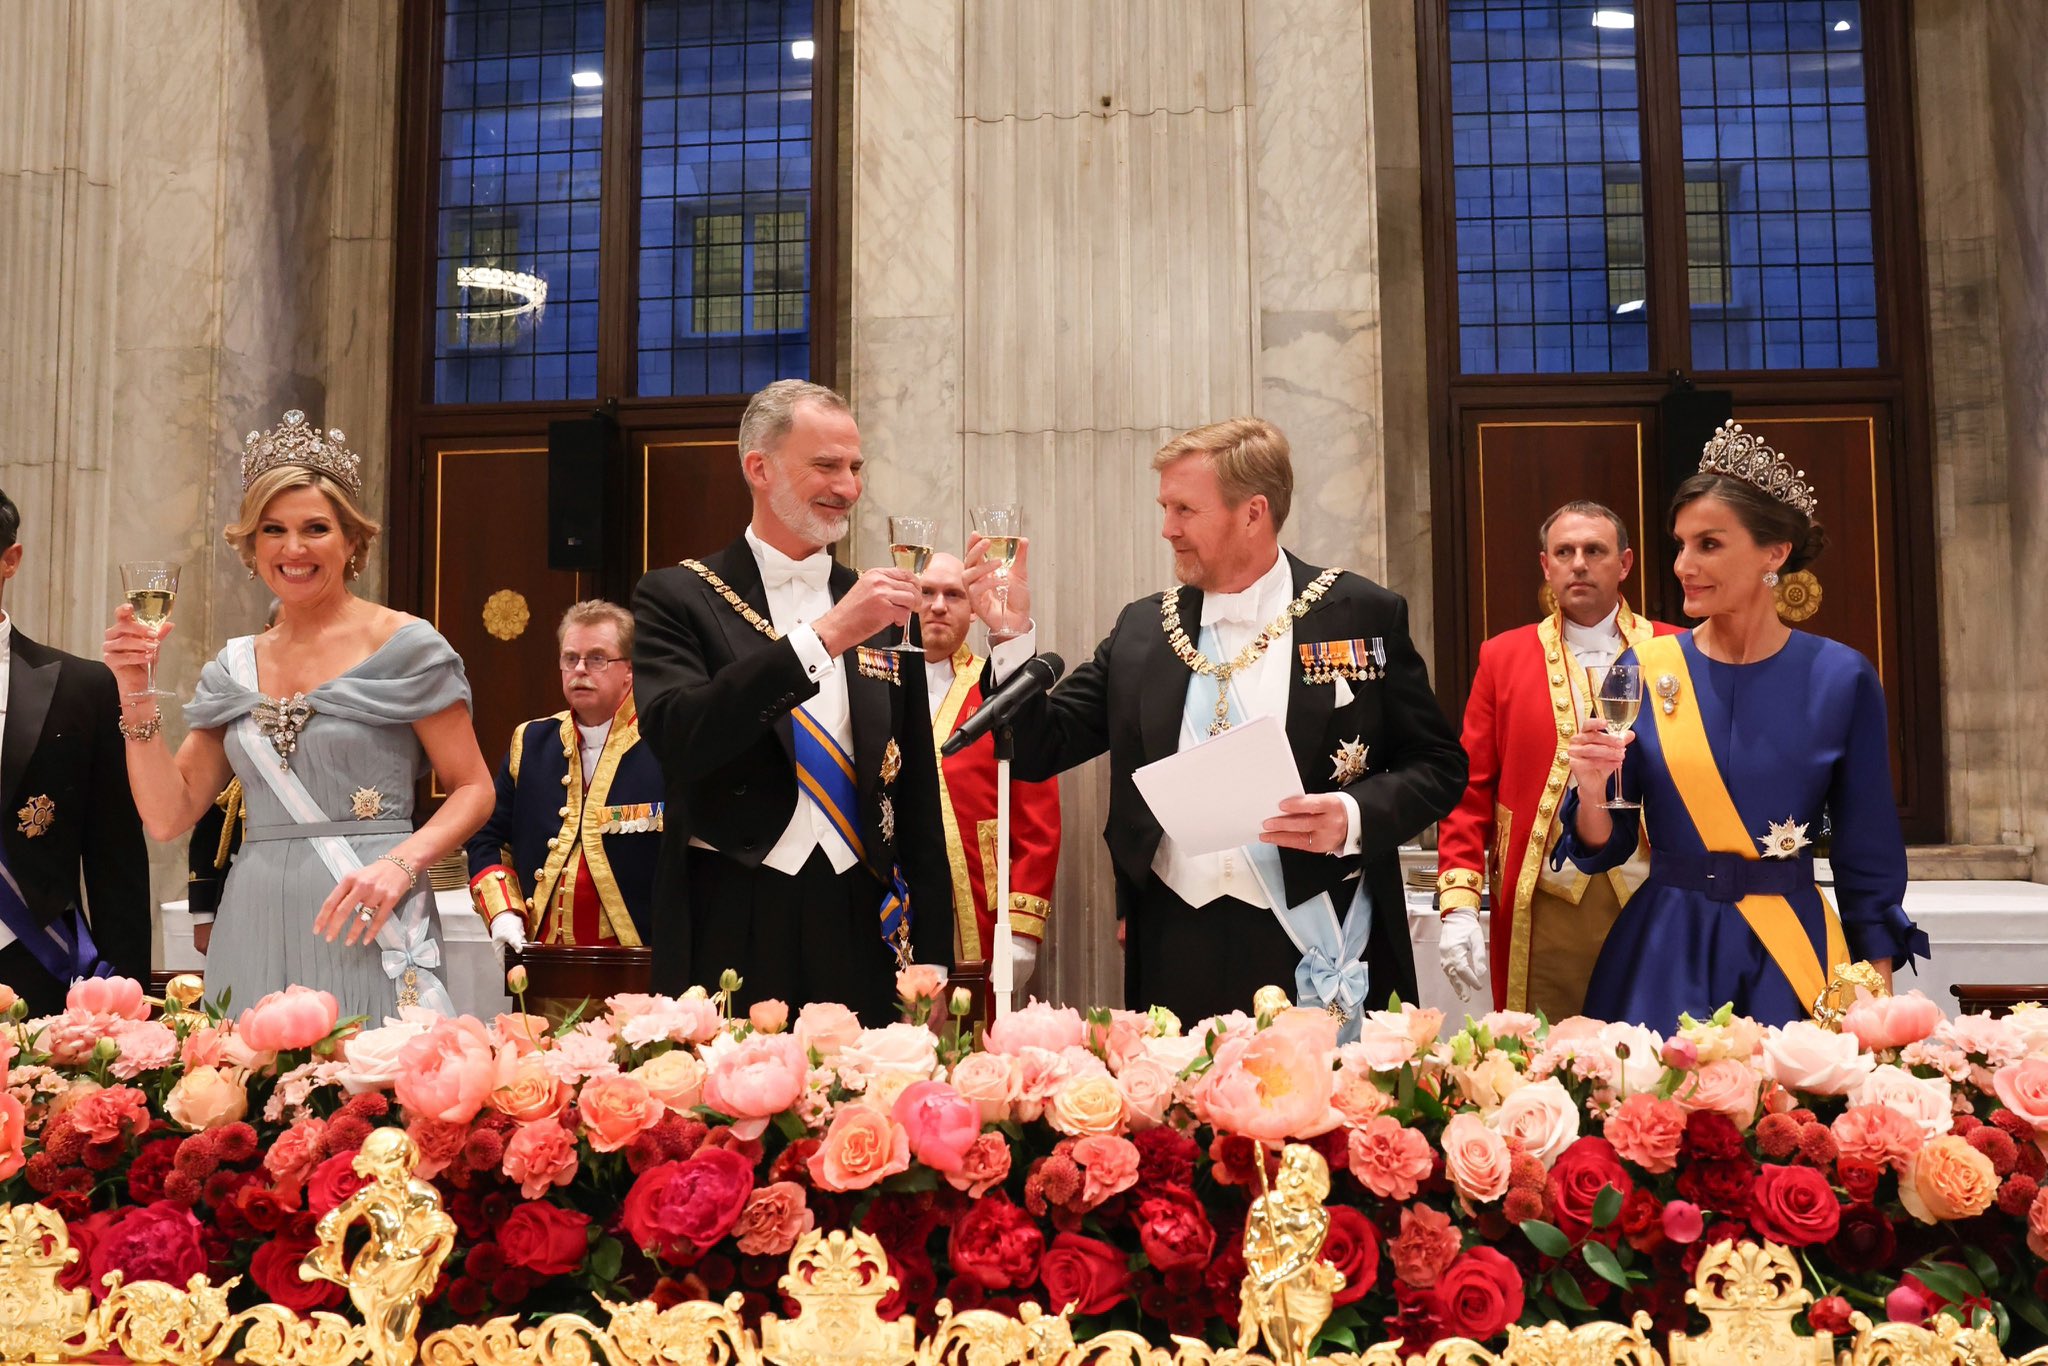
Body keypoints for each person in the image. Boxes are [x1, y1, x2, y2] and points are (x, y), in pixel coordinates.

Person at [966, 418, 1466, 1025]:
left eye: (1185, 509)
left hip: (1314, 933)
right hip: (1176, 941)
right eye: (1165, 507)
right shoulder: (1143, 630)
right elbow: (1040, 746)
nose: (1167, 528)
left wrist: (1352, 816)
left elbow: (1438, 766)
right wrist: (1010, 635)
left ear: (1253, 512)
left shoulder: (1359, 613)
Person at [104, 410, 494, 1020]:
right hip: (253, 911)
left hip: (370, 907)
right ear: (251, 547)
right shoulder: (232, 669)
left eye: (315, 528)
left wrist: (400, 864)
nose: (293, 549)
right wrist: (135, 690)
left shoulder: (407, 645)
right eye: (272, 530)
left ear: (352, 541)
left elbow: (474, 788)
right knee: (250, 1098)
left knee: (374, 1100)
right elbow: (166, 814)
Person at [1561, 422, 1926, 1033]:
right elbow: (1607, 847)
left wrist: (1880, 1009)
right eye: (1680, 545)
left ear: (1774, 553)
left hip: (1790, 953)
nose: (1683, 565)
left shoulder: (1841, 677)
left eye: (1708, 544)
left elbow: (1868, 855)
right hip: (1663, 953)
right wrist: (1594, 791)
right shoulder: (1644, 668)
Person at [630, 380, 952, 1024]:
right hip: (731, 908)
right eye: (826, 466)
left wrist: (936, 955)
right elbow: (680, 735)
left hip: (861, 912)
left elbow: (914, 785)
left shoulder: (882, 604)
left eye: (856, 467)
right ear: (759, 468)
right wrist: (827, 636)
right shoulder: (678, 597)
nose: (849, 488)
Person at [1434, 501, 1677, 1017]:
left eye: (1595, 550)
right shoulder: (1503, 656)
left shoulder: (1678, 651)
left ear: (1625, 563)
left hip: (1655, 896)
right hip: (1542, 901)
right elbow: (1470, 786)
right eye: (1563, 552)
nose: (1579, 563)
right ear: (1546, 566)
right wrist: (1458, 901)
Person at [0, 488, 149, 1014]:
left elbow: (116, 859)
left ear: (10, 560)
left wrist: (128, 1004)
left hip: (36, 964)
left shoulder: (81, 687)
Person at [467, 600, 661, 950]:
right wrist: (503, 913)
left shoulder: (666, 742)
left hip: (639, 963)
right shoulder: (531, 741)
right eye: (570, 658)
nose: (580, 670)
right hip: (543, 958)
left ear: (630, 670)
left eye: (598, 658)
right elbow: (489, 838)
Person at [917, 552, 1061, 991]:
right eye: (927, 592)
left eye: (954, 595)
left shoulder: (1000, 687)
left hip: (978, 902)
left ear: (975, 609)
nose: (938, 605)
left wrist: (1021, 930)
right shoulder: (875, 681)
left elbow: (1038, 815)